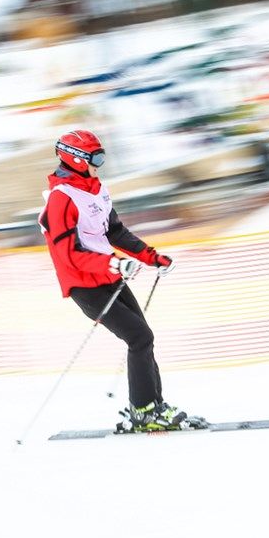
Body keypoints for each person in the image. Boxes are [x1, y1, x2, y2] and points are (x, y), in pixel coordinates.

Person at [38, 129, 186, 432]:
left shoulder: (96, 190)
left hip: (108, 275)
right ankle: (143, 412)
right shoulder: (60, 199)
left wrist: (151, 257)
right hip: (84, 285)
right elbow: (68, 255)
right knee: (139, 337)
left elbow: (115, 232)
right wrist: (114, 263)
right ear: (76, 159)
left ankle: (153, 407)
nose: (99, 164)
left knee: (144, 336)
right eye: (96, 158)